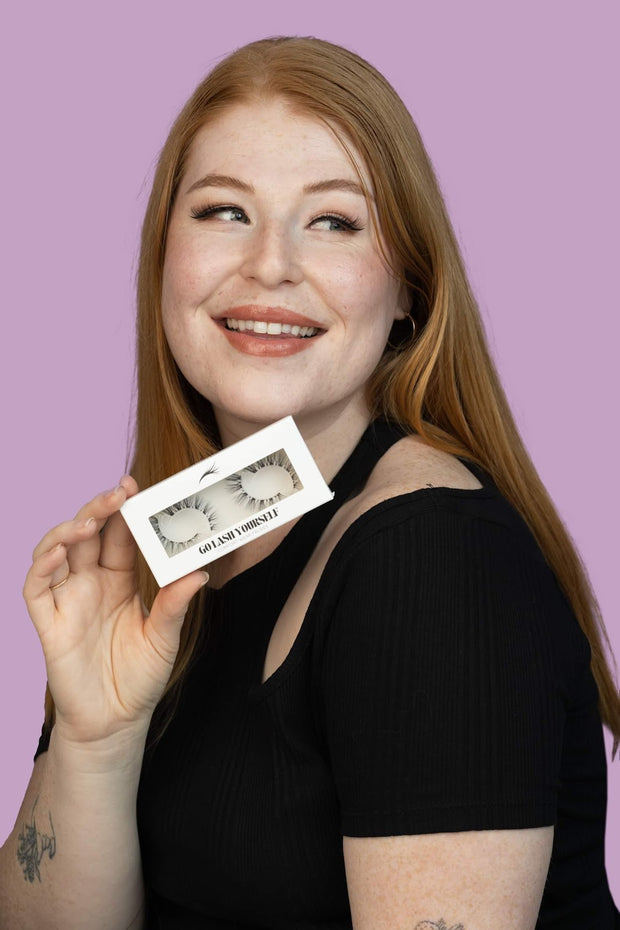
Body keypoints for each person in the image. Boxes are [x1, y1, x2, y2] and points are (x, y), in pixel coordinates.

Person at [0, 35, 618, 930]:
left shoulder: (432, 560)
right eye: (222, 212)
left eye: (334, 221)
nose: (269, 266)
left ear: (409, 285)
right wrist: (93, 740)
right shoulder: (189, 528)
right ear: (163, 257)